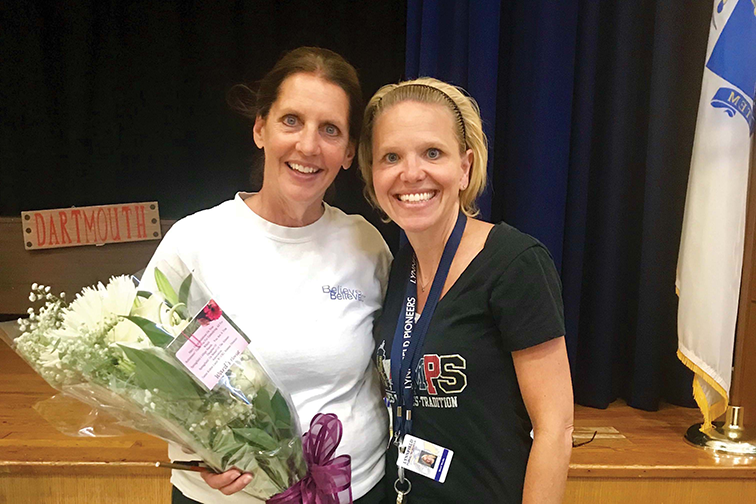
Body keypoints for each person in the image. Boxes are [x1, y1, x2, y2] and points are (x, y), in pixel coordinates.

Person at [142, 47, 391, 504]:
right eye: (291, 120)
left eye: (330, 130)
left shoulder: (367, 244)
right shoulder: (194, 242)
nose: (308, 146)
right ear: (260, 128)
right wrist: (197, 452)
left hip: (357, 492)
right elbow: (145, 372)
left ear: (351, 151)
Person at [359, 78, 574, 503]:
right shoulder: (397, 267)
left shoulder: (515, 263)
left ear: (465, 167)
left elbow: (556, 427)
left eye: (432, 153)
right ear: (373, 176)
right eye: (391, 157)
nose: (411, 172)